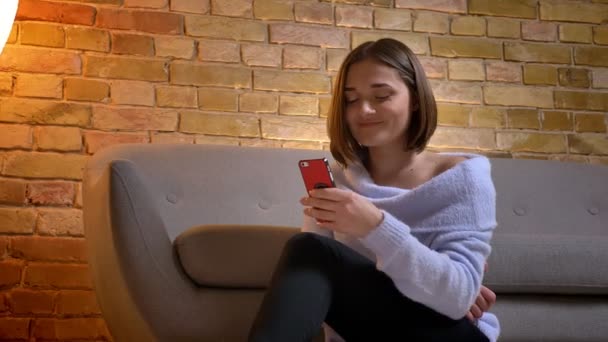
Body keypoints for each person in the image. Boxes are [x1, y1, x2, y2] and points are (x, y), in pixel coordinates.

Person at [248, 38, 499, 342]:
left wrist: (375, 226)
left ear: (415, 98)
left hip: (448, 335)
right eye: (351, 100)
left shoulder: (462, 177)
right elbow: (320, 290)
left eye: (381, 96)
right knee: (309, 248)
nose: (364, 110)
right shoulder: (338, 180)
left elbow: (458, 297)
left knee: (311, 250)